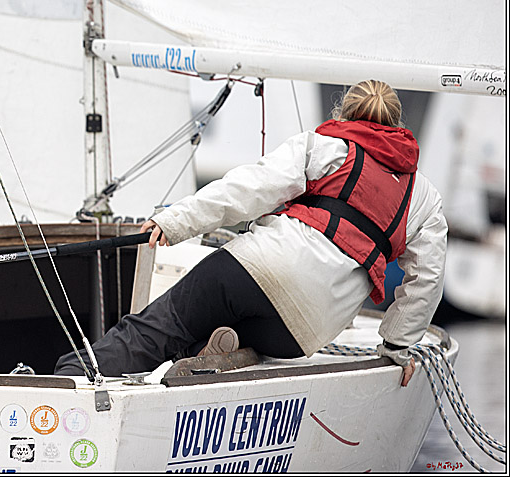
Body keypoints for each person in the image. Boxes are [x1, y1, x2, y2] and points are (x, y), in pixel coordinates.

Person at [54, 80, 447, 387]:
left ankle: (64, 380)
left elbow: (248, 189)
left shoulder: (325, 147)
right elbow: (426, 281)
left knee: (157, 330)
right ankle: (220, 353)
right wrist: (396, 346)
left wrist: (175, 223)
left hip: (258, 269)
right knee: (214, 332)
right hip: (303, 330)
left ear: (345, 112)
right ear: (398, 125)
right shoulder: (424, 196)